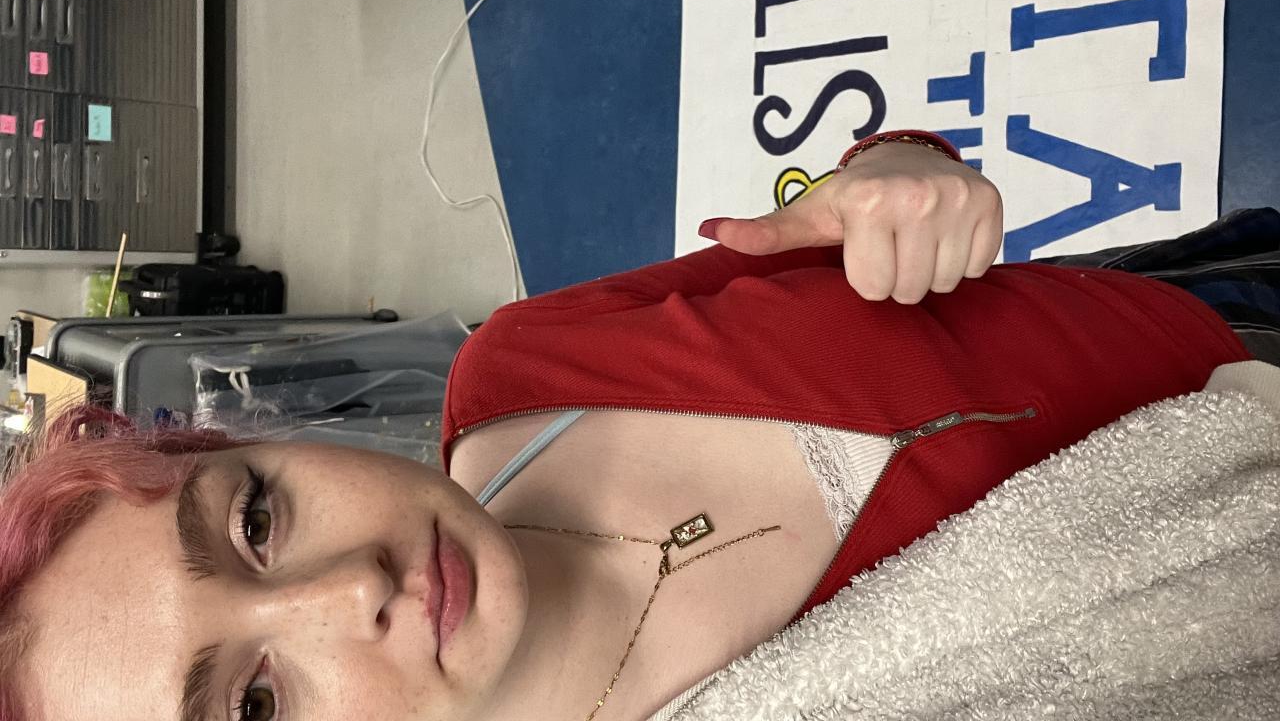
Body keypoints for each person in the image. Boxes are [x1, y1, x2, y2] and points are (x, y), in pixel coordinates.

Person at [0, 130, 1263, 721]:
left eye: (255, 521)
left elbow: (835, 232)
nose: (351, 593)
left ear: (252, 445)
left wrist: (895, 172)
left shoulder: (520, 366)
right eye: (256, 712)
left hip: (1207, 297)